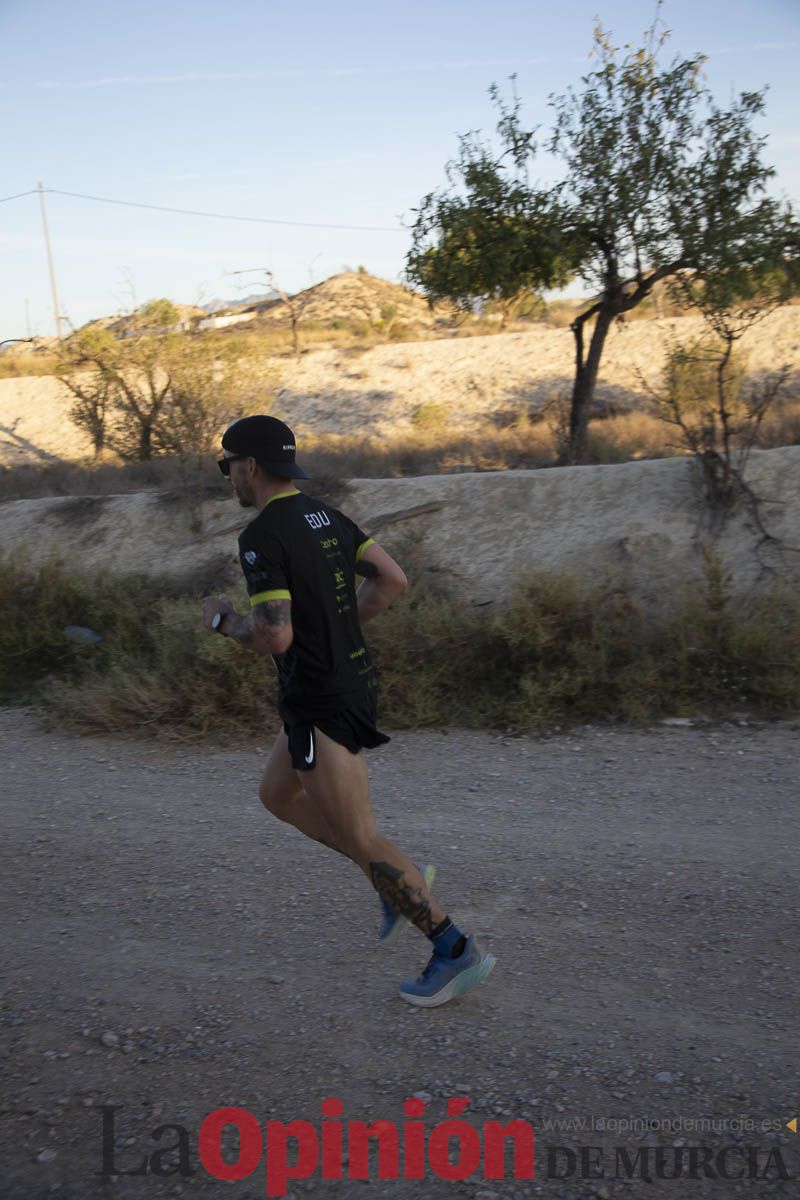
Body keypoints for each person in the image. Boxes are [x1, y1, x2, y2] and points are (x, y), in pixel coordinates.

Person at [201, 415, 496, 1007]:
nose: (227, 475)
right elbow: (392, 580)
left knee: (363, 836)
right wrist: (338, 627)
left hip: (320, 699)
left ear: (250, 466)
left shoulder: (262, 537)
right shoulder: (326, 516)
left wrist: (222, 620)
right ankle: (387, 883)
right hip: (346, 684)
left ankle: (453, 948)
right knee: (277, 795)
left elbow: (274, 636)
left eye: (227, 463)